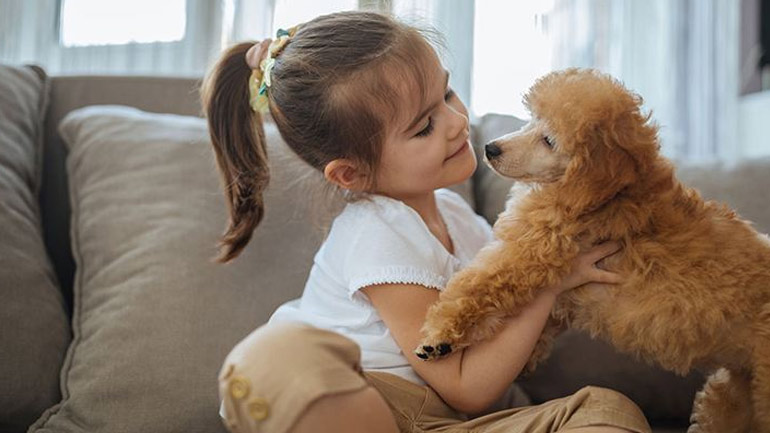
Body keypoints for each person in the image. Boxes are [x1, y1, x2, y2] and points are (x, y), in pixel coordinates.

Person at [200, 10, 651, 433]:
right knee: (276, 362)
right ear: (352, 174)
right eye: (423, 127)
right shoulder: (376, 233)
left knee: (607, 411)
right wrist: (552, 283)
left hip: (443, 423)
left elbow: (501, 315)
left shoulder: (456, 215)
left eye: (448, 93)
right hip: (370, 401)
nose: (456, 122)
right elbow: (465, 386)